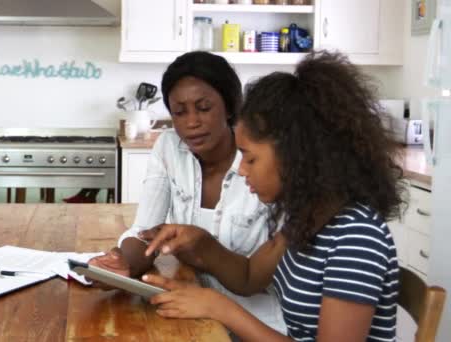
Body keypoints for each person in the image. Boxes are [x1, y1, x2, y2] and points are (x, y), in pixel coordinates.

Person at [141, 51, 405, 341]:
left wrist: (220, 307)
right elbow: (249, 276)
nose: (241, 171)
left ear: (295, 156)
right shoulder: (307, 218)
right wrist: (200, 242)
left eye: (250, 159)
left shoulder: (356, 238)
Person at [89, 50, 286, 332]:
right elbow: (145, 232)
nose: (191, 122)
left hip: (254, 323)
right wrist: (123, 264)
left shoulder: (264, 167)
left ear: (229, 107)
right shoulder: (169, 147)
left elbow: (258, 275)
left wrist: (203, 247)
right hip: (190, 309)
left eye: (204, 108)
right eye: (179, 112)